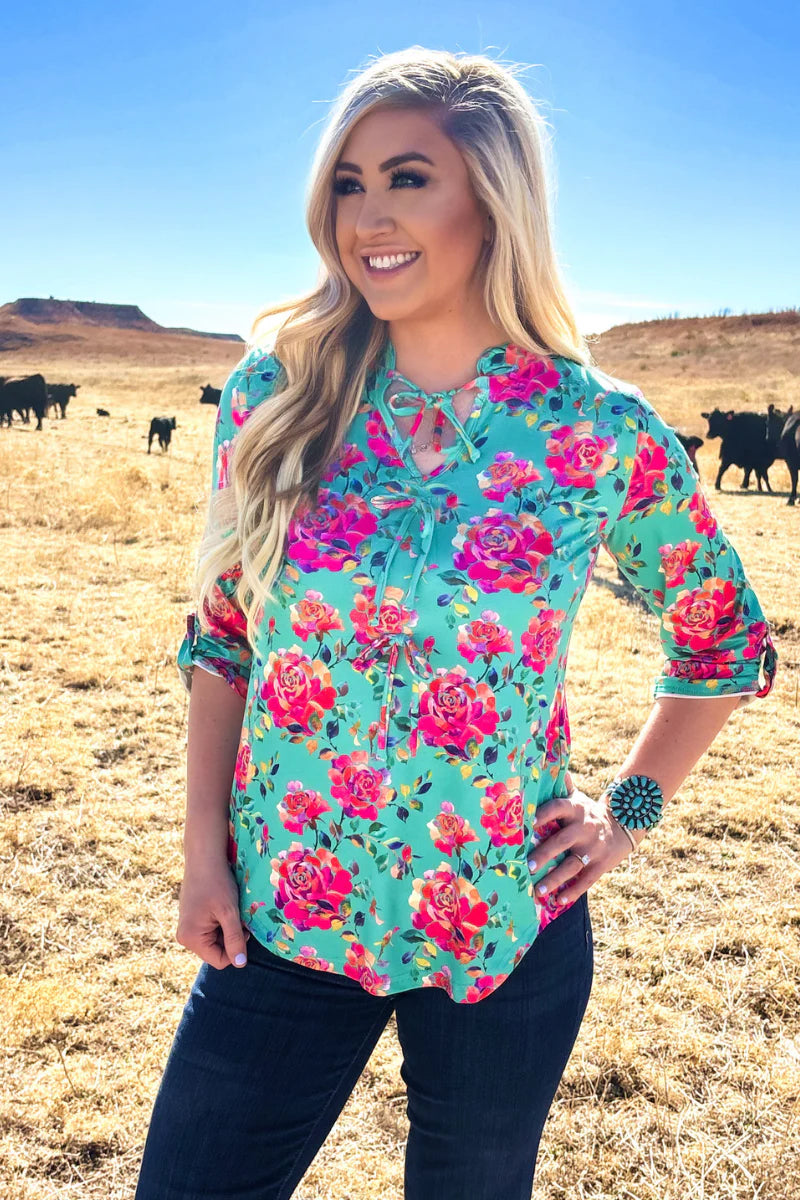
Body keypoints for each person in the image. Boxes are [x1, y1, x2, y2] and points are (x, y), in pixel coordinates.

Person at [134, 45, 777, 1200]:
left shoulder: (593, 430)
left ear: (492, 196)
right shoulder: (276, 394)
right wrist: (199, 854)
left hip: (502, 930)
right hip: (278, 916)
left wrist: (624, 816)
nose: (366, 217)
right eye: (347, 183)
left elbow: (722, 641)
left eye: (407, 178)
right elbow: (224, 633)